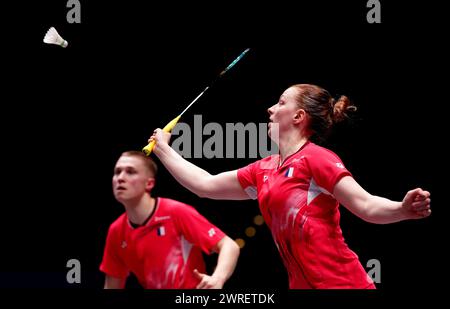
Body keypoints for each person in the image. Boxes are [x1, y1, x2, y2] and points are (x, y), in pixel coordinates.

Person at [148, 84, 431, 289]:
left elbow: (366, 205)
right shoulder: (263, 170)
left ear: (299, 117)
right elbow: (204, 185)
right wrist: (163, 150)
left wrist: (402, 209)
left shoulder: (316, 159)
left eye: (281, 102)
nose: (270, 108)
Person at [100, 151, 240, 289]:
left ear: (149, 183)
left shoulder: (175, 212)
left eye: (130, 172)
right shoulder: (116, 231)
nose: (120, 178)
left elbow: (229, 245)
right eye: (117, 172)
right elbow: (112, 285)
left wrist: (217, 278)